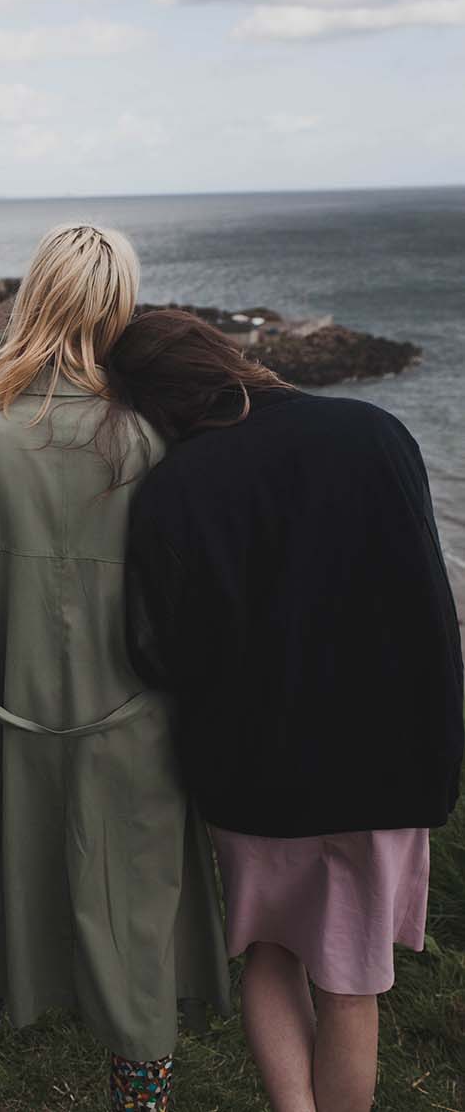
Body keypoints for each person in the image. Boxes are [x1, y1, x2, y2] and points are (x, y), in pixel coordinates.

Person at [0, 227, 230, 1112]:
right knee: (134, 943)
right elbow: (186, 604)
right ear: (117, 309)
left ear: (33, 298)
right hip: (136, 735)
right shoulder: (156, 438)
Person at [110, 308, 464, 1112]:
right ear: (221, 357)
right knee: (349, 984)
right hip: (389, 758)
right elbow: (429, 604)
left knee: (270, 955)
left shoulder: (172, 489)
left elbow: (156, 652)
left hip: (254, 770)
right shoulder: (373, 432)